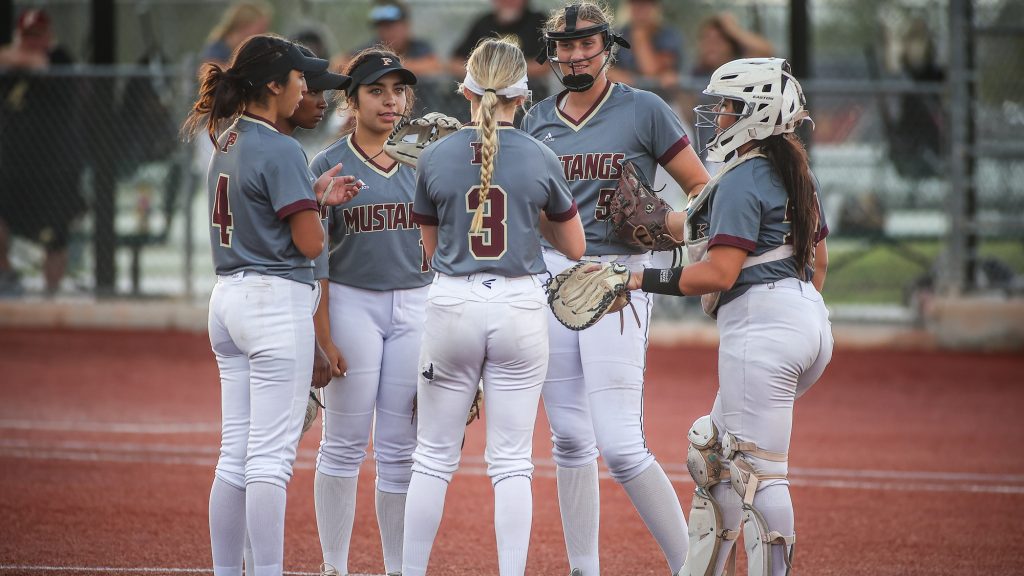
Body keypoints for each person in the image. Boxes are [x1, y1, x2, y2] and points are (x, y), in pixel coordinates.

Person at [521, 2, 711, 575]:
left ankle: (692, 565)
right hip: (552, 276)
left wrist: (664, 224)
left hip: (619, 276)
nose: (576, 55)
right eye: (566, 46)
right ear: (552, 52)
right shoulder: (534, 120)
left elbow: (702, 193)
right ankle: (584, 568)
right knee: (569, 440)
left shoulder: (644, 109)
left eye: (587, 43)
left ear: (608, 46)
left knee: (622, 445)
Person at [626, 57, 832, 576]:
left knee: (759, 475)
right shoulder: (795, 169)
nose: (718, 115)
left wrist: (637, 279)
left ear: (755, 114)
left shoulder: (745, 176)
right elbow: (819, 260)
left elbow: (718, 273)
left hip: (762, 329)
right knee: (712, 456)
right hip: (806, 319)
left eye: (728, 106)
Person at [403, 37, 585, 576]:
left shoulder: (434, 155)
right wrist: (530, 216)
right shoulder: (541, 155)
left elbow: (430, 254)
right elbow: (575, 247)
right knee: (511, 464)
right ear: (522, 95)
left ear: (466, 91)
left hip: (453, 302)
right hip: (518, 305)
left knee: (432, 458)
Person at [181, 34, 361, 576]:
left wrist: (312, 195)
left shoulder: (228, 135)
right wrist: (319, 207)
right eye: (299, 78)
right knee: (270, 461)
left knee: (234, 454)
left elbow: (263, 212)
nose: (306, 87)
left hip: (228, 299)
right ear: (274, 85)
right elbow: (309, 244)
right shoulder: (281, 148)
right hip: (273, 302)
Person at [307, 47, 426, 576]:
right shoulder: (327, 163)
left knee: (401, 450)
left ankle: (397, 568)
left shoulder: (427, 160)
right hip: (351, 301)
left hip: (418, 303)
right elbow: (314, 261)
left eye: (398, 90)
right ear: (351, 100)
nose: (390, 100)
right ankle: (334, 565)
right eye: (376, 90)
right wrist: (322, 336)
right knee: (343, 445)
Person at [0, 8, 83, 296]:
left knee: (55, 237)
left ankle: (50, 295)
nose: (32, 41)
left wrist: (17, 56)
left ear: (49, 36)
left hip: (54, 169)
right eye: (27, 35)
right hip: (12, 167)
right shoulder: (10, 69)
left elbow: (38, 63)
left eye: (37, 35)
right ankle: (6, 274)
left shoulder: (60, 58)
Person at [449, 0, 550, 101]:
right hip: (484, 97)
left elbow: (544, 64)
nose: (508, 1)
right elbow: (456, 62)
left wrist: (493, 72)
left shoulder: (537, 22)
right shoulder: (483, 23)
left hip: (528, 95)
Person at [348, 1, 441, 77]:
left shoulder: (419, 46)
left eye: (390, 26)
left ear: (406, 25)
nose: (385, 32)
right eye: (380, 27)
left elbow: (435, 65)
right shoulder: (372, 48)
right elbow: (343, 63)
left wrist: (382, 67)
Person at [606, 0, 683, 89]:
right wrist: (615, 74)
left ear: (655, 8)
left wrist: (640, 37)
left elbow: (653, 71)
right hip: (625, 93)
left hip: (659, 94)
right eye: (635, 4)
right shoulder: (617, 33)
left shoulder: (667, 35)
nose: (639, 9)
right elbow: (603, 68)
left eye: (645, 5)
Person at [200, 1, 273, 67]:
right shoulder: (218, 48)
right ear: (243, 25)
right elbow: (211, 71)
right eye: (261, 29)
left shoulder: (254, 49)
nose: (264, 33)